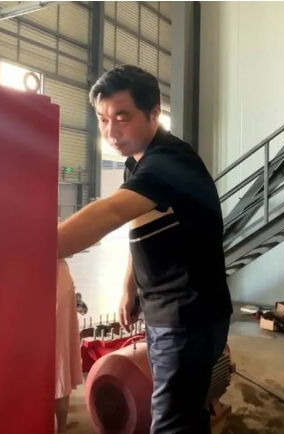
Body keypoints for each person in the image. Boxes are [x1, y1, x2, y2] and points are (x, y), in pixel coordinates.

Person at [56, 65, 233, 434]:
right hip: (167, 309)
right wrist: (130, 285)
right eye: (103, 119)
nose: (111, 131)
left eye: (122, 117)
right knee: (187, 411)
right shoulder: (136, 163)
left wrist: (29, 248)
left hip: (187, 315)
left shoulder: (169, 162)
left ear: (154, 113)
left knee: (170, 421)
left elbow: (110, 213)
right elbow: (140, 225)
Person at [54, 259, 83, 433]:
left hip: (54, 278)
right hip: (53, 276)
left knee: (60, 358)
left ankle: (61, 428)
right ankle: (61, 428)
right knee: (60, 358)